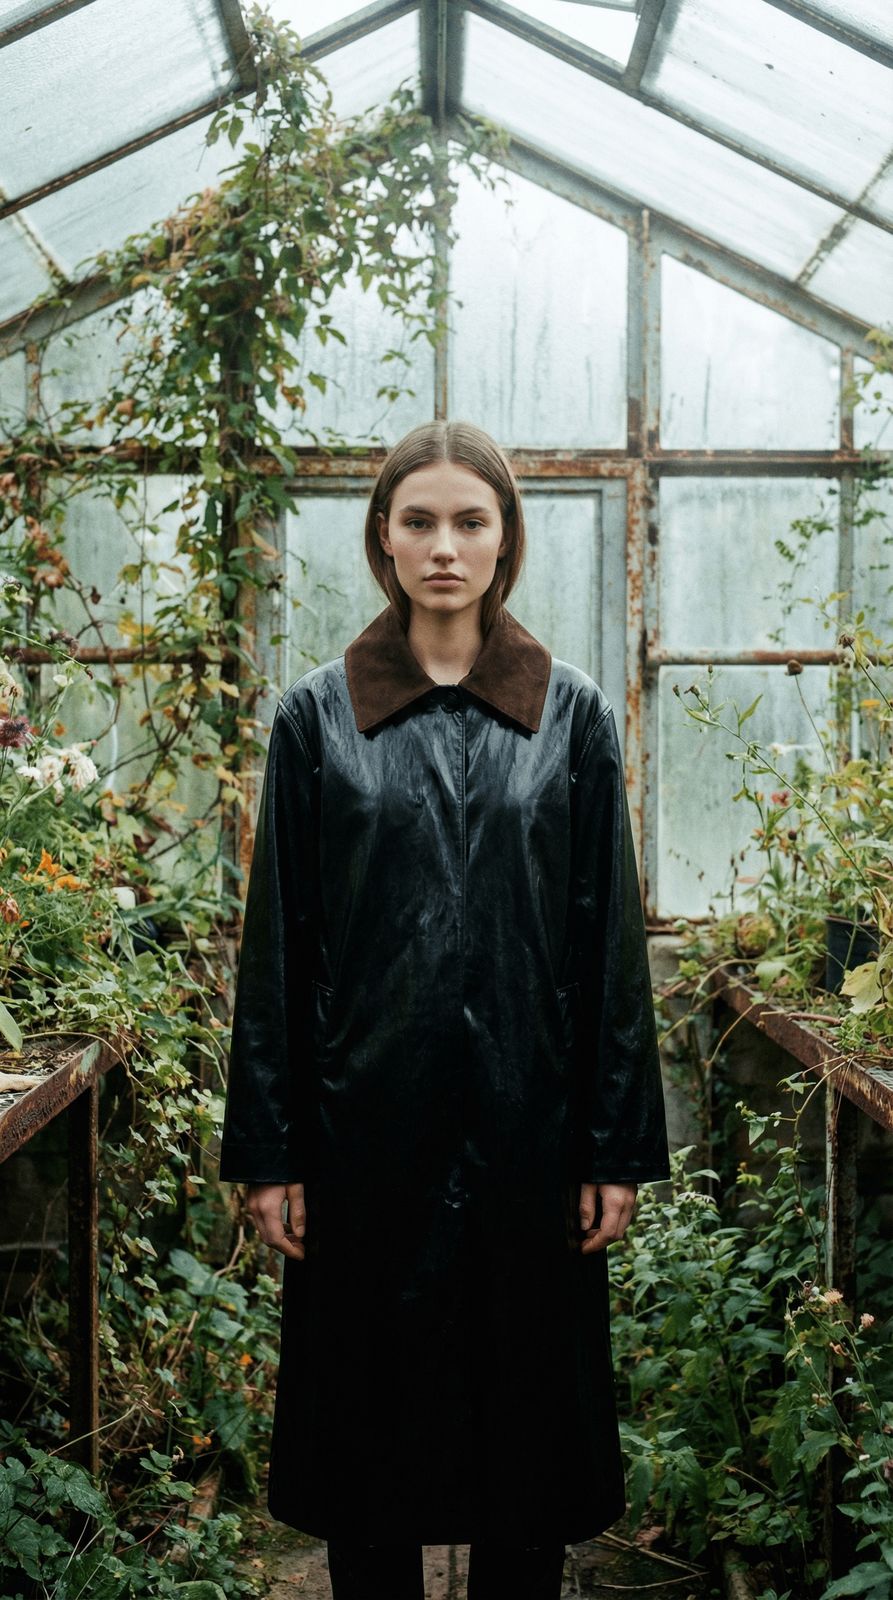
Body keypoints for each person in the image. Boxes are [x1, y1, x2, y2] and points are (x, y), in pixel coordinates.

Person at [219, 419, 670, 1600]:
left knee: (523, 1459)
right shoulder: (315, 718)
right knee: (368, 1460)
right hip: (361, 1140)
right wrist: (270, 1154)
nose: (443, 546)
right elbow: (277, 948)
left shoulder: (569, 717)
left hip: (530, 1142)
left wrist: (611, 1145)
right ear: (382, 537)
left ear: (505, 539)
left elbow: (606, 943)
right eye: (418, 519)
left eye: (470, 520)